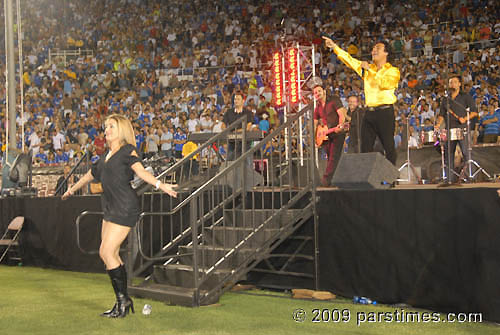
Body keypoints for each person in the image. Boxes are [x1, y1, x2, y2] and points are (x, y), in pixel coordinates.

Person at [62, 114, 177, 318]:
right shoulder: (105, 155)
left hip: (125, 206)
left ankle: (123, 301)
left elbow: (141, 172)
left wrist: (161, 185)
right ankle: (122, 301)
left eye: (111, 127)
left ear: (121, 129)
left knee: (107, 252)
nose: (107, 130)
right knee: (108, 254)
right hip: (110, 207)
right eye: (105, 127)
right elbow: (90, 175)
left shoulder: (127, 151)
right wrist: (72, 189)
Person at [323, 37, 400, 165]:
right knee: (365, 147)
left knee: (388, 146)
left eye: (378, 48)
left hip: (385, 112)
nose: (373, 50)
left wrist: (370, 70)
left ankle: (391, 178)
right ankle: (367, 177)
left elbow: (385, 84)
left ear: (386, 53)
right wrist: (334, 47)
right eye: (373, 48)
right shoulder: (367, 68)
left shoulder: (392, 71)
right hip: (369, 112)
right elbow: (349, 60)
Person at [435, 74, 477, 182]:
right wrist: (438, 124)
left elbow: (474, 112)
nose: (452, 84)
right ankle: (449, 178)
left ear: (459, 84)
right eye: (450, 82)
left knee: (465, 152)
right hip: (450, 129)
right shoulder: (446, 99)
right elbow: (441, 115)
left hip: (462, 128)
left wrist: (465, 118)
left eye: (454, 82)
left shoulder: (465, 96)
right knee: (449, 155)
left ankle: (469, 177)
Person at [312, 78, 347, 187]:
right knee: (329, 157)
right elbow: (314, 124)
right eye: (315, 93)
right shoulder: (317, 108)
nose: (317, 94)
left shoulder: (334, 100)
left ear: (324, 91)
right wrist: (315, 138)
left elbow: (342, 114)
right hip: (327, 135)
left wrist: (340, 125)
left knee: (333, 157)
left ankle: (325, 181)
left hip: (338, 133)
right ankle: (332, 181)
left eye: (319, 91)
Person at [222, 91, 253, 161]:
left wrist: (236, 131)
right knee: (230, 161)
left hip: (246, 142)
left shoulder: (248, 113)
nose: (236, 101)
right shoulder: (229, 112)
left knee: (247, 162)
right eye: (235, 99)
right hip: (232, 142)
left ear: (243, 101)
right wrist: (226, 131)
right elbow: (223, 125)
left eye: (238, 99)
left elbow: (248, 127)